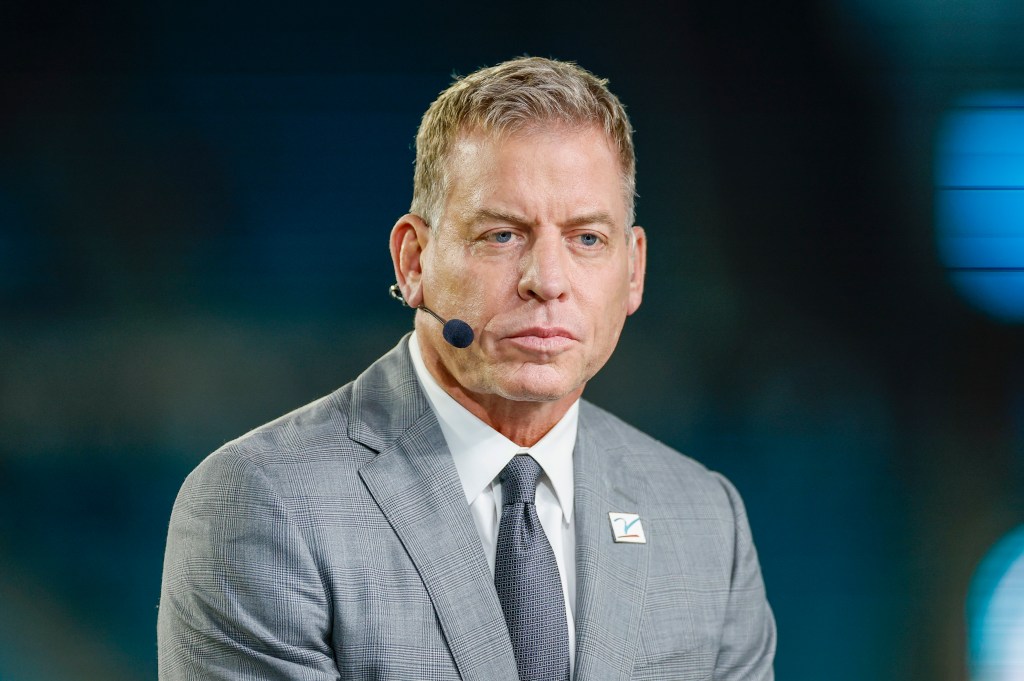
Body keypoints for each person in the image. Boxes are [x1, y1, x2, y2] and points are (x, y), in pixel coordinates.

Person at [158, 56, 776, 680]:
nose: (548, 282)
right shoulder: (264, 504)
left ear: (634, 270)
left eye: (587, 238)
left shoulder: (704, 520)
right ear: (414, 261)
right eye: (502, 235)